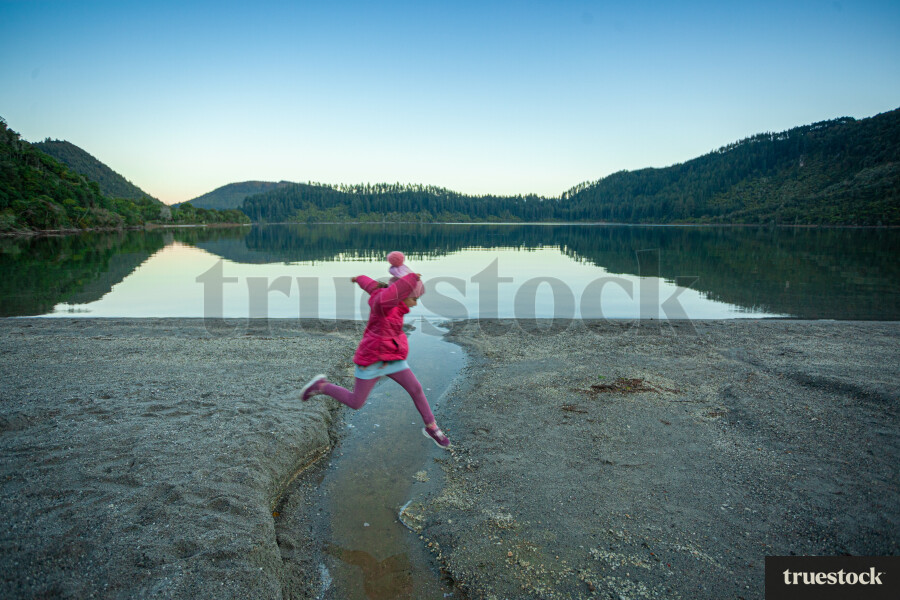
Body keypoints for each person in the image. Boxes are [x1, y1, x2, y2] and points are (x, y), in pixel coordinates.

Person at [299, 268, 451, 448]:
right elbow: (383, 294)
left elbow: (372, 285)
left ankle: (431, 427)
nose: (416, 304)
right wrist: (410, 279)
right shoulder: (383, 306)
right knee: (356, 403)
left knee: (416, 388)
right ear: (401, 294)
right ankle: (321, 386)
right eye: (415, 299)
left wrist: (358, 278)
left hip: (393, 357)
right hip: (371, 360)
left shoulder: (393, 301)